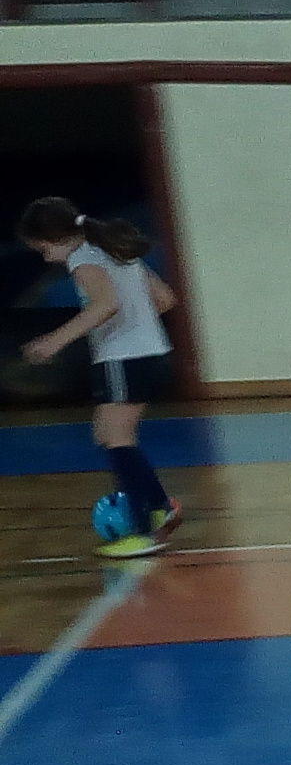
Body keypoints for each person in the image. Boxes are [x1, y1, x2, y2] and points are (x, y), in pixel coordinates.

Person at [16, 197, 183, 559]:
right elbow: (165, 299)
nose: (47, 258)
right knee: (108, 434)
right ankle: (160, 506)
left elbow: (106, 304)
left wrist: (56, 340)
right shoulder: (116, 249)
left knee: (117, 439)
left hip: (123, 358)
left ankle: (143, 532)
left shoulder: (82, 258)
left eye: (44, 249)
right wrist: (138, 322)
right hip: (152, 353)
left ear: (57, 237)